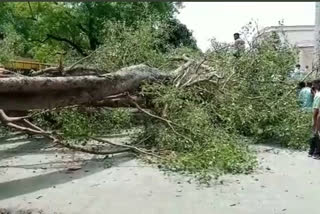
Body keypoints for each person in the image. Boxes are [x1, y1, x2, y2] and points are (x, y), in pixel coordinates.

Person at [309, 79, 320, 158]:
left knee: (315, 133)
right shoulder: (317, 95)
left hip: (318, 118)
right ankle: (314, 152)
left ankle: (314, 152)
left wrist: (314, 121)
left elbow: (316, 110)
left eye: (314, 85)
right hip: (317, 117)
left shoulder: (318, 96)